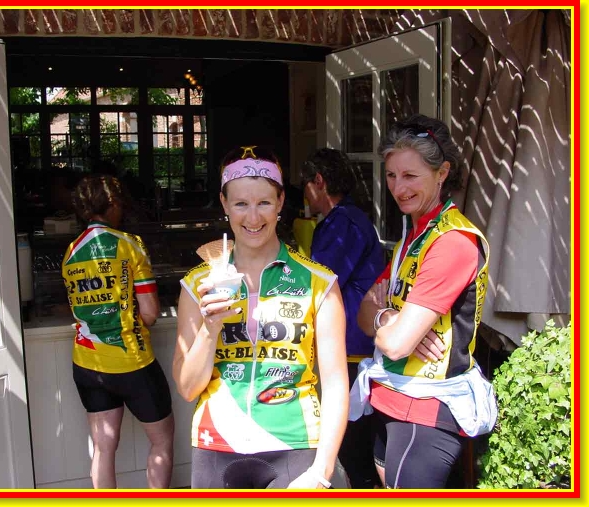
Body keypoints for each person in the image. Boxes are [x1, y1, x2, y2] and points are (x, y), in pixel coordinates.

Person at [173, 145, 348, 489]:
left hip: (295, 443)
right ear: (224, 204)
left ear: (281, 202)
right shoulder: (198, 285)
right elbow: (187, 387)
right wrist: (210, 328)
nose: (253, 218)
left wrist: (322, 472)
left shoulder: (319, 283)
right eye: (241, 204)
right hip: (216, 443)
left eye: (264, 203)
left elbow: (336, 385)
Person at [352, 114, 496, 488]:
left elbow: (397, 344)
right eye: (391, 175)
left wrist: (395, 326)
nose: (398, 188)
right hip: (388, 395)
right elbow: (364, 314)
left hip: (424, 408)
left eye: (410, 175)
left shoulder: (452, 242)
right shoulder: (413, 236)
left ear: (442, 173)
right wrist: (390, 318)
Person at [61, 174, 174, 489]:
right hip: (132, 361)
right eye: (120, 204)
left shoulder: (71, 250)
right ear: (111, 204)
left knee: (103, 448)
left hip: (87, 362)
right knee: (162, 441)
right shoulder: (129, 244)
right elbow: (150, 313)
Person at [300, 148, 385, 489]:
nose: (305, 195)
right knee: (354, 441)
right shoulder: (347, 219)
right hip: (353, 342)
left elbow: (320, 282)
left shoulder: (343, 224)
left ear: (319, 181)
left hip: (352, 345)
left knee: (351, 443)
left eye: (306, 185)